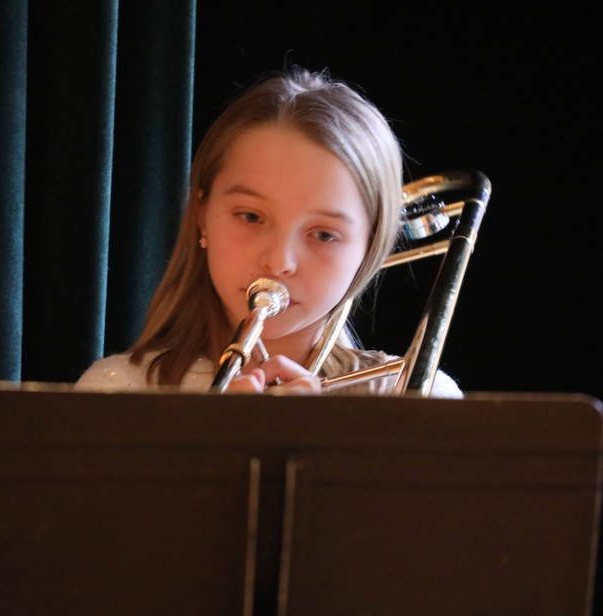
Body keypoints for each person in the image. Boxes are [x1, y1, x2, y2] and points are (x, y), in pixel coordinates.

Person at [77, 67, 462, 397]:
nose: (279, 262)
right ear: (201, 215)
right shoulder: (116, 392)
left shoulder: (420, 399)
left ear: (370, 246)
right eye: (250, 217)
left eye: (324, 234)